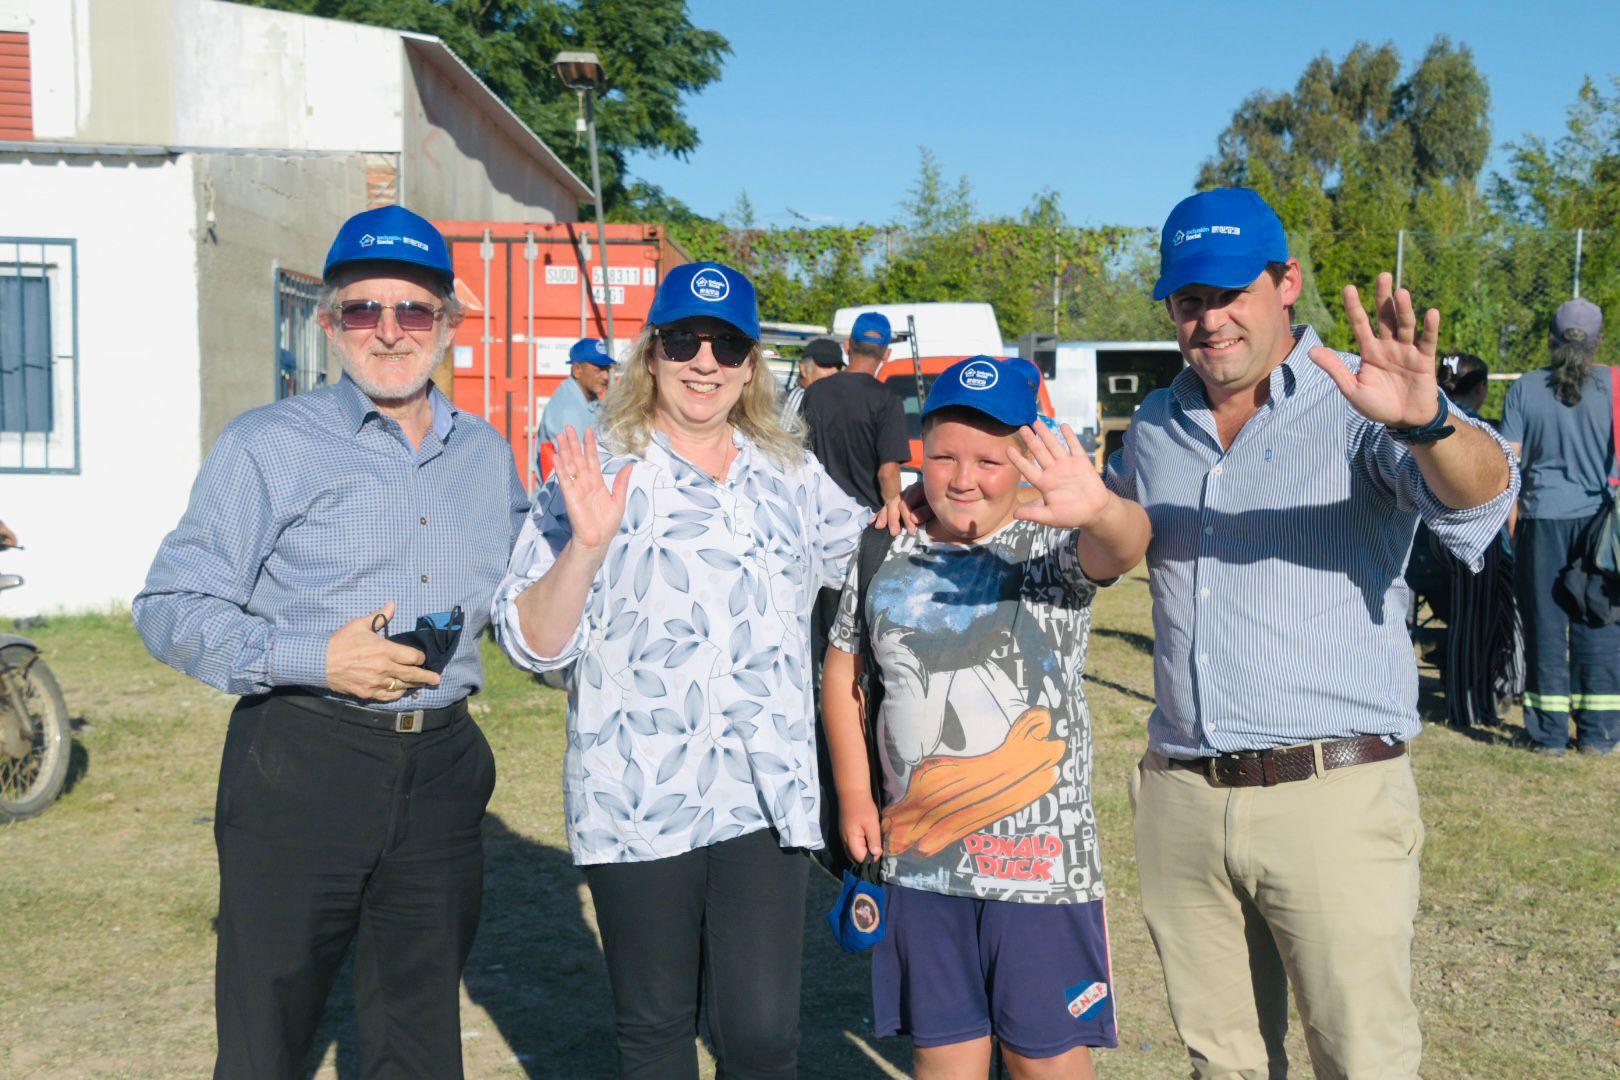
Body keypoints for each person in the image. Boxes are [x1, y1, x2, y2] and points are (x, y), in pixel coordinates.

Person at [1109, 188, 1516, 1077]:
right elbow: (1100, 530)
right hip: (1182, 796)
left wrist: (1430, 422)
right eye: (1188, 301)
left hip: (1328, 792)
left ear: (1286, 282)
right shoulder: (1153, 424)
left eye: (1229, 294)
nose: (1208, 321)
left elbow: (1483, 496)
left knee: (1360, 1059)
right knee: (1223, 1064)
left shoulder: (1355, 403)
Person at [133, 205, 529, 1079]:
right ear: (328, 322)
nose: (389, 333)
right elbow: (168, 605)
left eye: (413, 310)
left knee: (419, 1040)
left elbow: (526, 602)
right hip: (300, 762)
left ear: (448, 322)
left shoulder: (485, 456)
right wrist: (314, 658)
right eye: (363, 309)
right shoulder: (268, 446)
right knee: (268, 1033)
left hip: (441, 772)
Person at [492, 260, 867, 1079]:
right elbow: (530, 643)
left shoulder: (789, 472)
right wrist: (585, 550)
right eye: (684, 340)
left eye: (727, 343)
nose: (706, 361)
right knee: (657, 1032)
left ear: (751, 364)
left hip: (764, 795)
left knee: (763, 1039)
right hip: (636, 795)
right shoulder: (594, 462)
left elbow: (873, 559)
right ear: (651, 353)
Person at [823, 356, 1150, 1079]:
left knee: (1044, 1062)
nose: (963, 477)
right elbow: (844, 667)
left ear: (1024, 461)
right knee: (945, 1064)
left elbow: (1126, 545)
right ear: (920, 452)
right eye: (944, 455)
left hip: (1036, 876)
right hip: (921, 867)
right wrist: (853, 792)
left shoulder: (1052, 546)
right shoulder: (885, 546)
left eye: (989, 460)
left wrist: (1098, 508)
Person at [1500, 298, 1619, 756]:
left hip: (1540, 522)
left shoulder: (1524, 389)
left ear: (1550, 339)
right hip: (1600, 530)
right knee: (1600, 624)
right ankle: (1599, 734)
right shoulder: (1615, 387)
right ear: (1597, 342)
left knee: (1545, 627)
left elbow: (1508, 468)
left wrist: (1512, 528)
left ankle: (1548, 736)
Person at [539, 336, 616, 444]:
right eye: (599, 369)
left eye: (607, 369)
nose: (606, 376)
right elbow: (573, 458)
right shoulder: (566, 409)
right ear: (577, 370)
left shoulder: (590, 399)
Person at [781, 337, 844, 420]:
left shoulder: (832, 401)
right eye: (825, 364)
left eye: (838, 366)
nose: (834, 371)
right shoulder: (797, 398)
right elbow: (784, 432)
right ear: (804, 369)